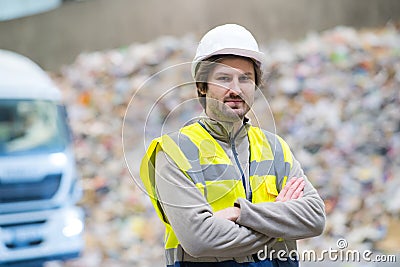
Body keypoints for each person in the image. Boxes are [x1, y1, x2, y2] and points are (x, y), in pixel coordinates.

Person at [140, 24, 326, 267]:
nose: (236, 89)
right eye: (224, 78)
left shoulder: (275, 148)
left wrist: (241, 214)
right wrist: (279, 218)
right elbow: (199, 239)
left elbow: (314, 218)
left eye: (245, 78)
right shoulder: (173, 152)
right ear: (201, 86)